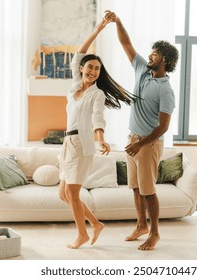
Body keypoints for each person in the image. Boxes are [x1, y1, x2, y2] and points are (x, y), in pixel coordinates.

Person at [58, 14, 134, 249]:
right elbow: (79, 53)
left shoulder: (97, 94)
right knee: (64, 195)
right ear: (81, 69)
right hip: (67, 144)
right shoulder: (74, 88)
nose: (93, 71)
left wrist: (100, 138)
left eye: (97, 69)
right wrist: (99, 29)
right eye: (90, 67)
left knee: (72, 192)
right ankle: (96, 224)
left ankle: (82, 234)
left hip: (82, 145)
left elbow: (97, 118)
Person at [107, 11, 179, 250]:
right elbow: (125, 43)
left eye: (155, 54)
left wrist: (140, 144)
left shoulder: (166, 90)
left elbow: (164, 126)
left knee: (148, 191)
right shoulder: (142, 69)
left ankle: (155, 233)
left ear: (164, 61)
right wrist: (118, 21)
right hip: (133, 139)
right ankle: (141, 225)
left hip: (148, 144)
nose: (150, 55)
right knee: (136, 187)